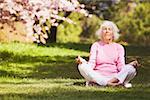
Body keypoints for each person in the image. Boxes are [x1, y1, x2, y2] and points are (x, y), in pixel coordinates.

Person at [76, 20, 140, 88]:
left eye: (109, 29)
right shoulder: (96, 45)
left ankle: (104, 83)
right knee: (81, 66)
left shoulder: (119, 47)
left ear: (113, 33)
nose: (107, 31)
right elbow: (91, 64)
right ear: (101, 32)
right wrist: (83, 62)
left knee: (132, 69)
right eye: (104, 29)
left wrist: (130, 65)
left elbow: (121, 66)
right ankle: (110, 84)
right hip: (98, 76)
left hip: (115, 76)